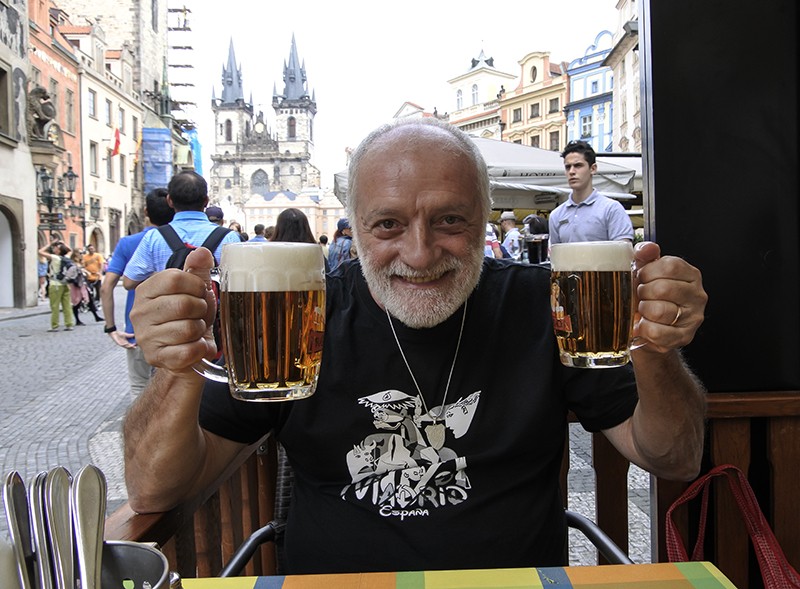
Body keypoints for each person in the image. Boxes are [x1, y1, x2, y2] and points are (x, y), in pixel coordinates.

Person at [124, 118, 708, 575]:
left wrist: (654, 349)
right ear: (353, 225)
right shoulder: (298, 320)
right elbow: (155, 489)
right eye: (388, 225)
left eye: (450, 220)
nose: (421, 253)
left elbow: (674, 456)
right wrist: (177, 369)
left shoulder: (548, 308)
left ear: (486, 221)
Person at [100, 188, 175, 398]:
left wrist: (111, 327)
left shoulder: (128, 243)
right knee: (175, 388)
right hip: (174, 326)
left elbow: (106, 287)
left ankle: (143, 430)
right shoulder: (181, 240)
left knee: (139, 387)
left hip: (138, 328)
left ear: (145, 212)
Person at [122, 171, 242, 290]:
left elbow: (129, 282)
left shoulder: (154, 237)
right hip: (214, 308)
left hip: (169, 308)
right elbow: (239, 281)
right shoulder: (230, 238)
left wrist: (163, 275)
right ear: (206, 201)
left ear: (169, 201)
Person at [548, 140, 634, 245]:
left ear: (593, 169)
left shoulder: (611, 209)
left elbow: (623, 253)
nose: (571, 171)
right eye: (568, 167)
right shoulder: (556, 215)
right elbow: (555, 255)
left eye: (578, 165)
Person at [37, 240, 75, 332]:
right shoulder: (66, 257)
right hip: (65, 283)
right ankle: (69, 324)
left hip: (55, 284)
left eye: (55, 248)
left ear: (58, 250)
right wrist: (63, 243)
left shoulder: (55, 258)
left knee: (55, 306)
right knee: (67, 305)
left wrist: (49, 244)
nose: (54, 248)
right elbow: (70, 250)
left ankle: (54, 325)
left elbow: (40, 252)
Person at [68, 251, 103, 325]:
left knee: (90, 300)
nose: (81, 256)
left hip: (82, 285)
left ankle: (96, 316)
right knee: (77, 303)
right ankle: (77, 320)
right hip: (76, 286)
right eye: (79, 254)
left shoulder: (79, 264)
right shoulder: (72, 264)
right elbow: (71, 275)